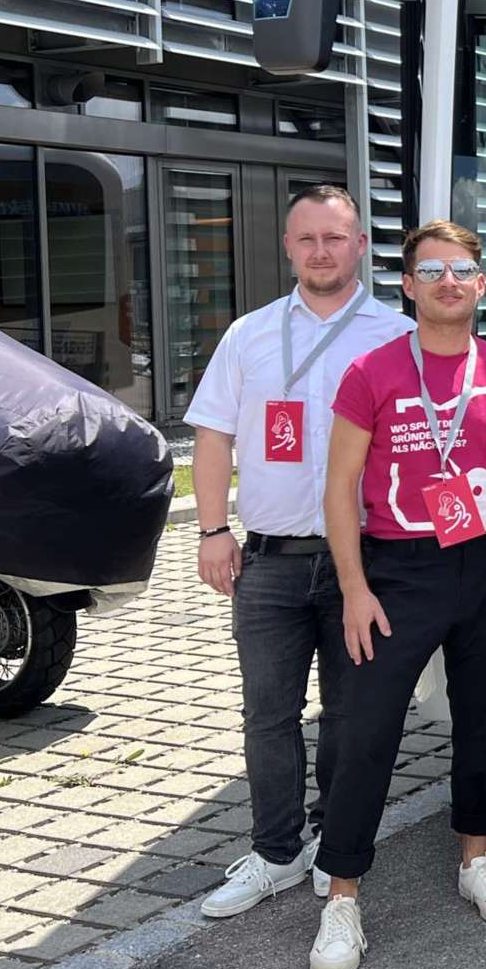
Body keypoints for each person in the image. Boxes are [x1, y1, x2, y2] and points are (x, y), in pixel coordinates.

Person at [308, 221, 486, 969]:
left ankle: (478, 856)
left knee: (482, 720)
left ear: (480, 286)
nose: (448, 280)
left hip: (485, 561)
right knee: (368, 730)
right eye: (432, 269)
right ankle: (342, 894)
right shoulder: (371, 371)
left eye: (462, 269)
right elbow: (340, 487)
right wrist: (352, 586)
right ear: (407, 285)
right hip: (396, 569)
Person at [185, 185, 413, 920]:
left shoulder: (396, 334)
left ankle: (333, 842)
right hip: (271, 561)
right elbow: (213, 435)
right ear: (288, 247)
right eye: (307, 238)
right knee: (268, 714)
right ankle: (276, 851)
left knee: (353, 715)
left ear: (359, 246)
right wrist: (212, 530)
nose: (322, 251)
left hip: (366, 563)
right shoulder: (249, 334)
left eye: (336, 238)